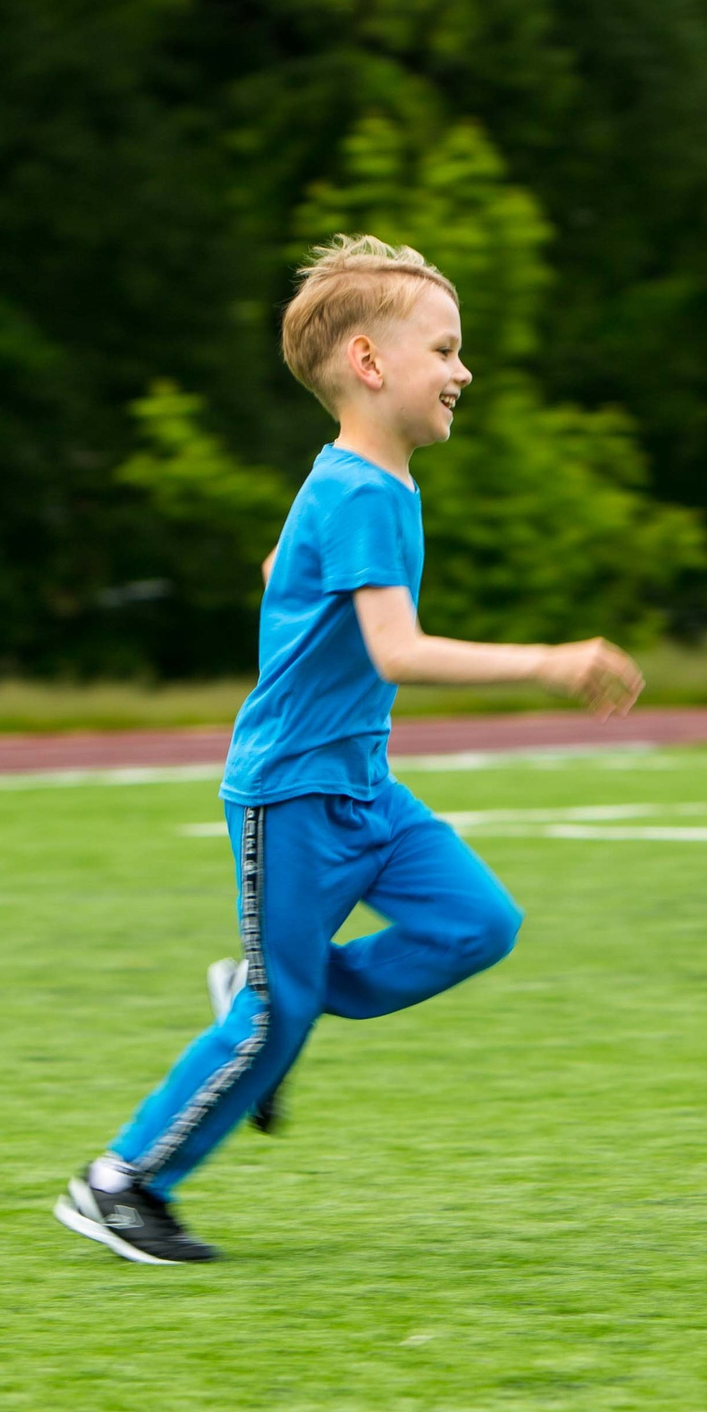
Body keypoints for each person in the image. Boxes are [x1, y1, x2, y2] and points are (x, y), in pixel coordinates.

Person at [58, 234, 643, 1264]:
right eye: (446, 349)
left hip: (363, 788)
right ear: (370, 364)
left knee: (476, 922)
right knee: (271, 1028)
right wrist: (549, 661)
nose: (464, 370)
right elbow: (395, 647)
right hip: (291, 797)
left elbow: (294, 561)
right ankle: (121, 1182)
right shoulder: (361, 489)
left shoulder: (361, 481)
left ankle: (274, 990)